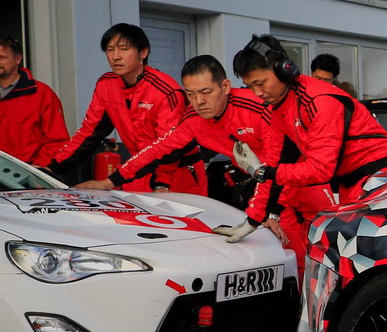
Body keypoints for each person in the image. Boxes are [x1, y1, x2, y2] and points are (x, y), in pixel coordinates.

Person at [75, 56, 329, 242]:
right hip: (268, 190)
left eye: (206, 92)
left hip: (307, 182)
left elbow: (286, 158)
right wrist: (109, 182)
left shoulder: (259, 107)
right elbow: (155, 151)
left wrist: (271, 209)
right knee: (282, 253)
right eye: (191, 94)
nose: (199, 101)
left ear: (225, 87)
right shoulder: (192, 121)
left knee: (324, 246)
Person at [226, 35, 387, 252]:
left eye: (260, 83)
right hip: (353, 185)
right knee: (354, 255)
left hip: (383, 181)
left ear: (284, 69)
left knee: (379, 254)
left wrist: (262, 172)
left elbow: (319, 170)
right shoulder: (280, 107)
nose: (257, 93)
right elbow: (275, 166)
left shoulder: (320, 100)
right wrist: (253, 220)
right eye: (250, 86)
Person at [48, 23, 203, 194]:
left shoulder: (165, 90)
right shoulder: (106, 85)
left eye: (124, 49)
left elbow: (170, 146)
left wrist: (161, 183)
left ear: (143, 53)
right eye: (110, 50)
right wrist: (52, 168)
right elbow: (89, 133)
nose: (116, 56)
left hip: (178, 176)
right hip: (135, 173)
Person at [0, 37, 69, 166]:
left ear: (18, 59)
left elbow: (57, 140)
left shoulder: (41, 94)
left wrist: (37, 170)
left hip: (26, 173)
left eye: (2, 58)